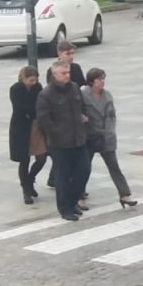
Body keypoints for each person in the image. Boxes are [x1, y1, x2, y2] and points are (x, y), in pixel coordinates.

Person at [36, 59, 90, 222]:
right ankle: (65, 208)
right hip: (60, 143)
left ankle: (73, 201)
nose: (67, 75)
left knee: (83, 171)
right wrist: (57, 133)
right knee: (63, 176)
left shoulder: (74, 88)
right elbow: (44, 120)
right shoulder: (46, 94)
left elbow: (82, 106)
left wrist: (84, 119)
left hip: (78, 139)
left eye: (68, 72)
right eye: (63, 73)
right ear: (54, 74)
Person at [82, 67, 137, 208]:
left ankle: (124, 194)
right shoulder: (83, 94)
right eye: (99, 79)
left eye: (103, 79)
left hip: (106, 136)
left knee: (114, 166)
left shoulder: (107, 96)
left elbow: (111, 115)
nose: (102, 82)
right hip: (90, 136)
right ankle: (79, 195)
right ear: (92, 81)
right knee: (84, 168)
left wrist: (109, 131)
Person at [42, 41, 86, 193]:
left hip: (75, 115)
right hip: (61, 122)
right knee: (62, 159)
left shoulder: (76, 69)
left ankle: (62, 182)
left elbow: (81, 87)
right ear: (60, 53)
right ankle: (64, 186)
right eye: (68, 54)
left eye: (72, 53)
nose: (71, 57)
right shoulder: (52, 72)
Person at [9, 65, 46, 206]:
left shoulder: (38, 87)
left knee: (41, 157)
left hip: (37, 126)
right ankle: (26, 188)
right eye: (30, 80)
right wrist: (33, 110)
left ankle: (30, 180)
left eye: (35, 80)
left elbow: (41, 103)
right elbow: (19, 108)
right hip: (22, 128)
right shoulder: (16, 89)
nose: (33, 83)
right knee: (24, 160)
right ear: (23, 79)